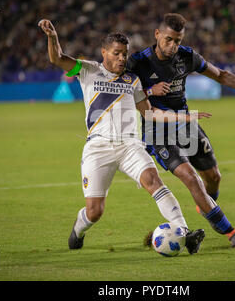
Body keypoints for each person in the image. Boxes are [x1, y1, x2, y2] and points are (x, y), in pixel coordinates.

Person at [38, 19, 211, 254]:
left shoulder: (133, 80)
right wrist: (52, 37)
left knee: (154, 182)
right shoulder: (87, 70)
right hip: (99, 147)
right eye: (116, 53)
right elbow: (57, 58)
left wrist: (184, 117)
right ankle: (78, 229)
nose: (122, 58)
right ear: (104, 52)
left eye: (125, 54)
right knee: (94, 211)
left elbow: (150, 113)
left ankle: (184, 232)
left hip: (131, 145)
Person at [127, 13, 235, 248]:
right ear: (157, 34)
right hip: (157, 130)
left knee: (213, 177)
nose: (173, 46)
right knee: (191, 178)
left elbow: (220, 75)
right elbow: (120, 91)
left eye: (178, 40)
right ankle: (230, 231)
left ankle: (207, 205)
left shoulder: (187, 56)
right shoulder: (138, 62)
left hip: (185, 124)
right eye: (169, 39)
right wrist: (149, 92)